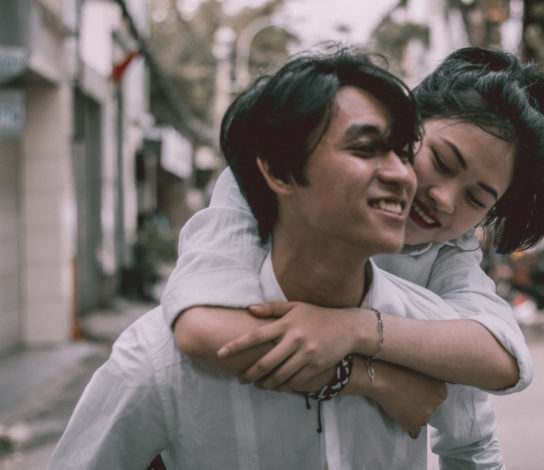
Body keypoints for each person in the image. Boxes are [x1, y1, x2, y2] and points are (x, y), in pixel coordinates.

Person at [49, 49, 506, 469]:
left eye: (405, 153)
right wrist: (365, 376)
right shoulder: (159, 362)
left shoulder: (430, 335)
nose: (402, 176)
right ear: (280, 170)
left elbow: (477, 444)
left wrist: (357, 336)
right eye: (365, 148)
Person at [163, 46, 544, 406]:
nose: (443, 200)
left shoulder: (448, 248)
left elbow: (505, 359)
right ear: (407, 124)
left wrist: (355, 328)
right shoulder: (269, 179)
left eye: (476, 199)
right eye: (441, 162)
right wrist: (378, 382)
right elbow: (203, 327)